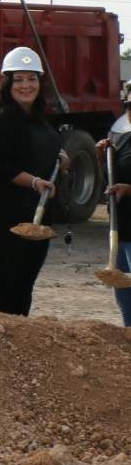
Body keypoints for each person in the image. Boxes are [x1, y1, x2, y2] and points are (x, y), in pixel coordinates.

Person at [0, 47, 68, 316]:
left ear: (40, 81)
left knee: (25, 283)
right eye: (19, 79)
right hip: (1, 215)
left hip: (36, 213)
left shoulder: (40, 119)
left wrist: (59, 155)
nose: (26, 85)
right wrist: (35, 182)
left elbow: (40, 148)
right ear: (7, 83)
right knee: (4, 283)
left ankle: (19, 342)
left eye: (31, 78)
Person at [99, 81, 131, 325]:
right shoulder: (119, 136)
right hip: (121, 230)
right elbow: (110, 181)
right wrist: (102, 158)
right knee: (125, 299)